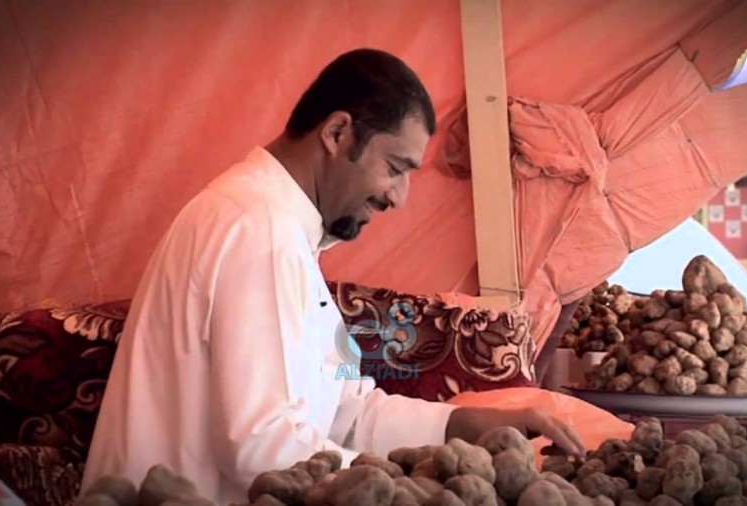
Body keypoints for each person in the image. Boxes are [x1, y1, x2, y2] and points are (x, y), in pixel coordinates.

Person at [81, 48, 585, 504]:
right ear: (337, 133)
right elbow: (262, 449)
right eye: (395, 168)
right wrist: (418, 487)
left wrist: (470, 426)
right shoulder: (256, 228)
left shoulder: (280, 227)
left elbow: (345, 409)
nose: (399, 198)